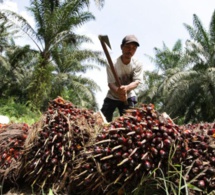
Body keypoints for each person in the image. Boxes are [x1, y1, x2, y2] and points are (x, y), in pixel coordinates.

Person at [101, 34, 143, 122]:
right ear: (121, 47)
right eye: (127, 47)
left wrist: (126, 88)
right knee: (103, 119)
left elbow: (136, 82)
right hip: (112, 95)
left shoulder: (138, 64)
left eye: (134, 48)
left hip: (129, 96)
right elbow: (110, 83)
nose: (130, 50)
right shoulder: (112, 64)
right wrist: (118, 91)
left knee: (129, 122)